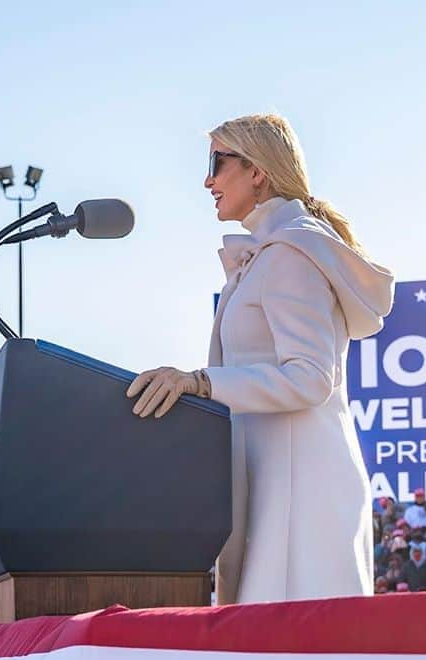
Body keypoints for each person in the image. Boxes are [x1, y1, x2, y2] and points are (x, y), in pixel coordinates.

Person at [126, 114, 394, 604]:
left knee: (297, 654)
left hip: (298, 492)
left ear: (257, 171)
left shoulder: (291, 253)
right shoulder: (270, 254)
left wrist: (201, 383)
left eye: (216, 162)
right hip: (272, 481)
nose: (207, 180)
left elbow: (312, 378)